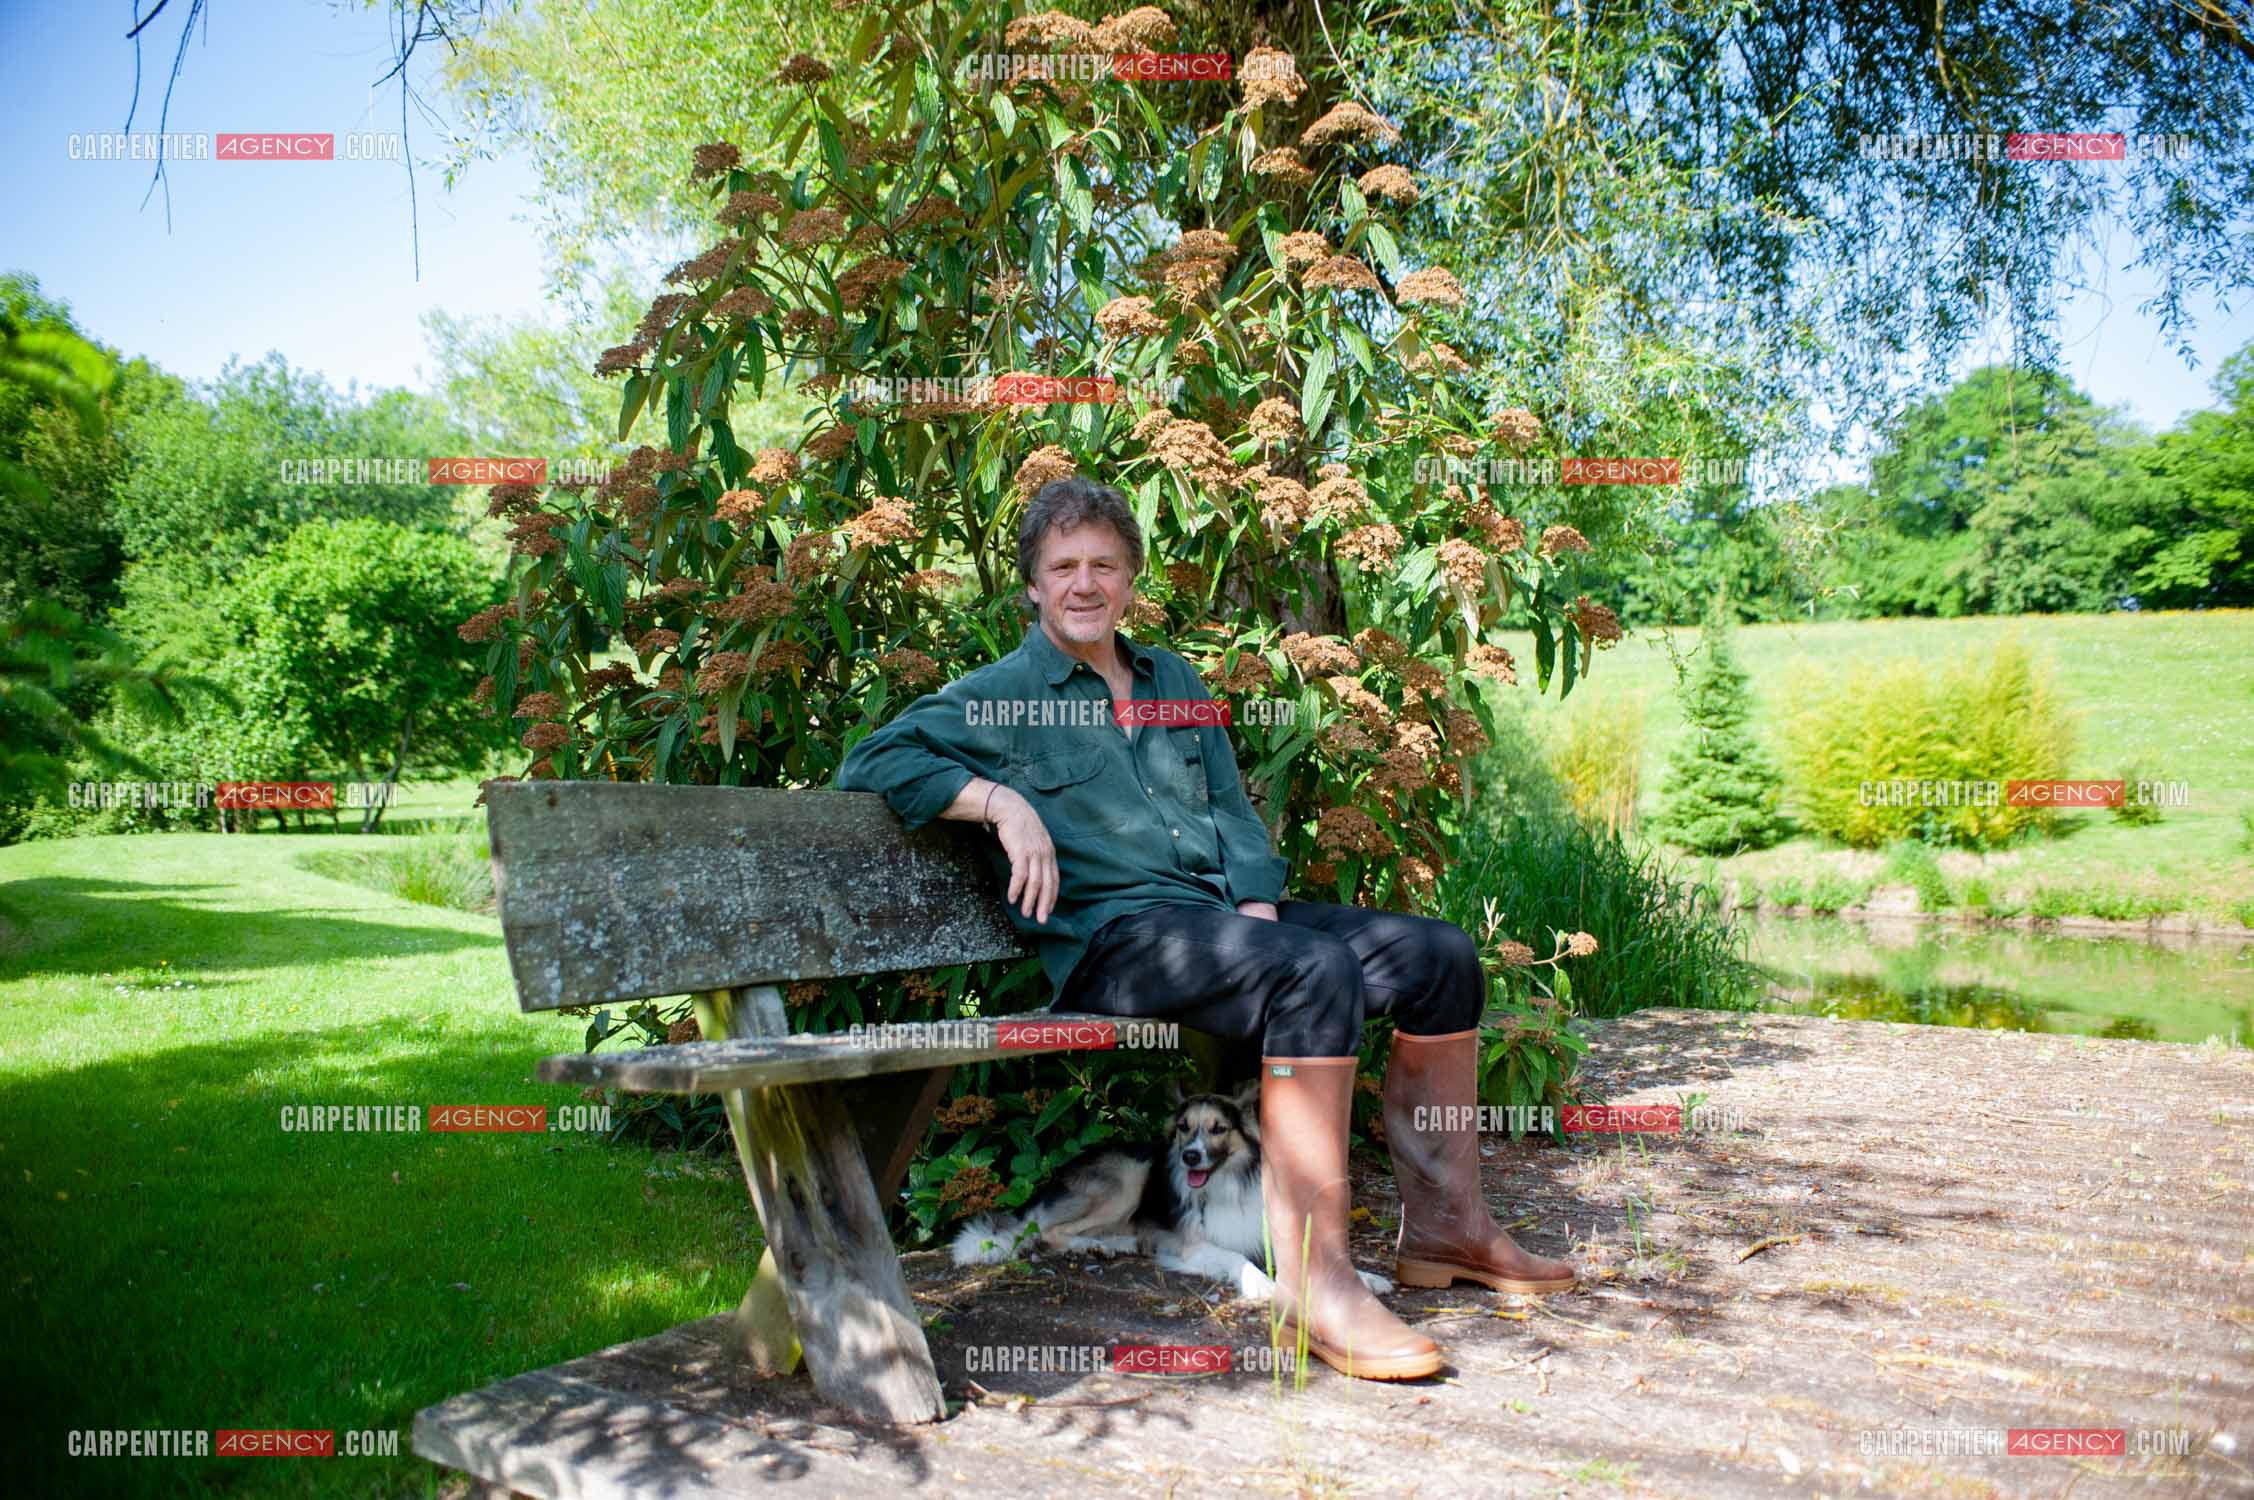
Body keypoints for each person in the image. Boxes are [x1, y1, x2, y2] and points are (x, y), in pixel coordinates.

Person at [835, 476, 1576, 1379]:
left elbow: (1230, 810)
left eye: (1103, 565)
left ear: (1129, 582)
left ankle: (1449, 1229)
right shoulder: (999, 695)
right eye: (1062, 566)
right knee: (1313, 973)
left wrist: (1259, 910)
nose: (1083, 583)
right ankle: (1317, 1282)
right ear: (1031, 585)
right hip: (1118, 942)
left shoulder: (1172, 681)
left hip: (1217, 927)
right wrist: (999, 803)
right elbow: (872, 759)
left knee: (1439, 957)